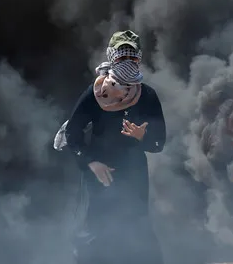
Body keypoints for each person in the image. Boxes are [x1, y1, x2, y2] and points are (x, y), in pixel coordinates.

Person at [62, 30, 166, 264]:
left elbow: (159, 143)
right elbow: (73, 133)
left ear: (138, 59)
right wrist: (90, 162)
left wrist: (143, 137)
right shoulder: (95, 94)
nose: (126, 62)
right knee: (97, 232)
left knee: (137, 231)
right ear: (111, 57)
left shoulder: (147, 96)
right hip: (100, 173)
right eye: (121, 57)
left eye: (132, 57)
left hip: (134, 174)